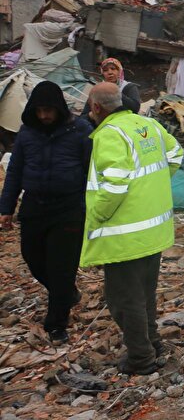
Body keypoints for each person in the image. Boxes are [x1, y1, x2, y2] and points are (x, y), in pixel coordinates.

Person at [82, 82, 183, 375]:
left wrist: (97, 216)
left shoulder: (110, 134)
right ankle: (152, 343)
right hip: (154, 228)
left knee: (124, 301)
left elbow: (115, 184)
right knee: (145, 294)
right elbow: (175, 155)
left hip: (124, 235)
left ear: (97, 107)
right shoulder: (147, 124)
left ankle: (141, 358)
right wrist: (152, 190)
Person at [0, 82, 93, 343]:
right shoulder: (27, 133)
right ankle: (67, 295)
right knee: (32, 257)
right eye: (39, 110)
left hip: (69, 207)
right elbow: (15, 171)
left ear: (59, 109)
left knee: (62, 267)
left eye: (49, 110)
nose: (44, 116)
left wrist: (90, 207)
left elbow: (91, 171)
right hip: (34, 206)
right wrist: (6, 208)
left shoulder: (80, 130)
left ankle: (56, 325)